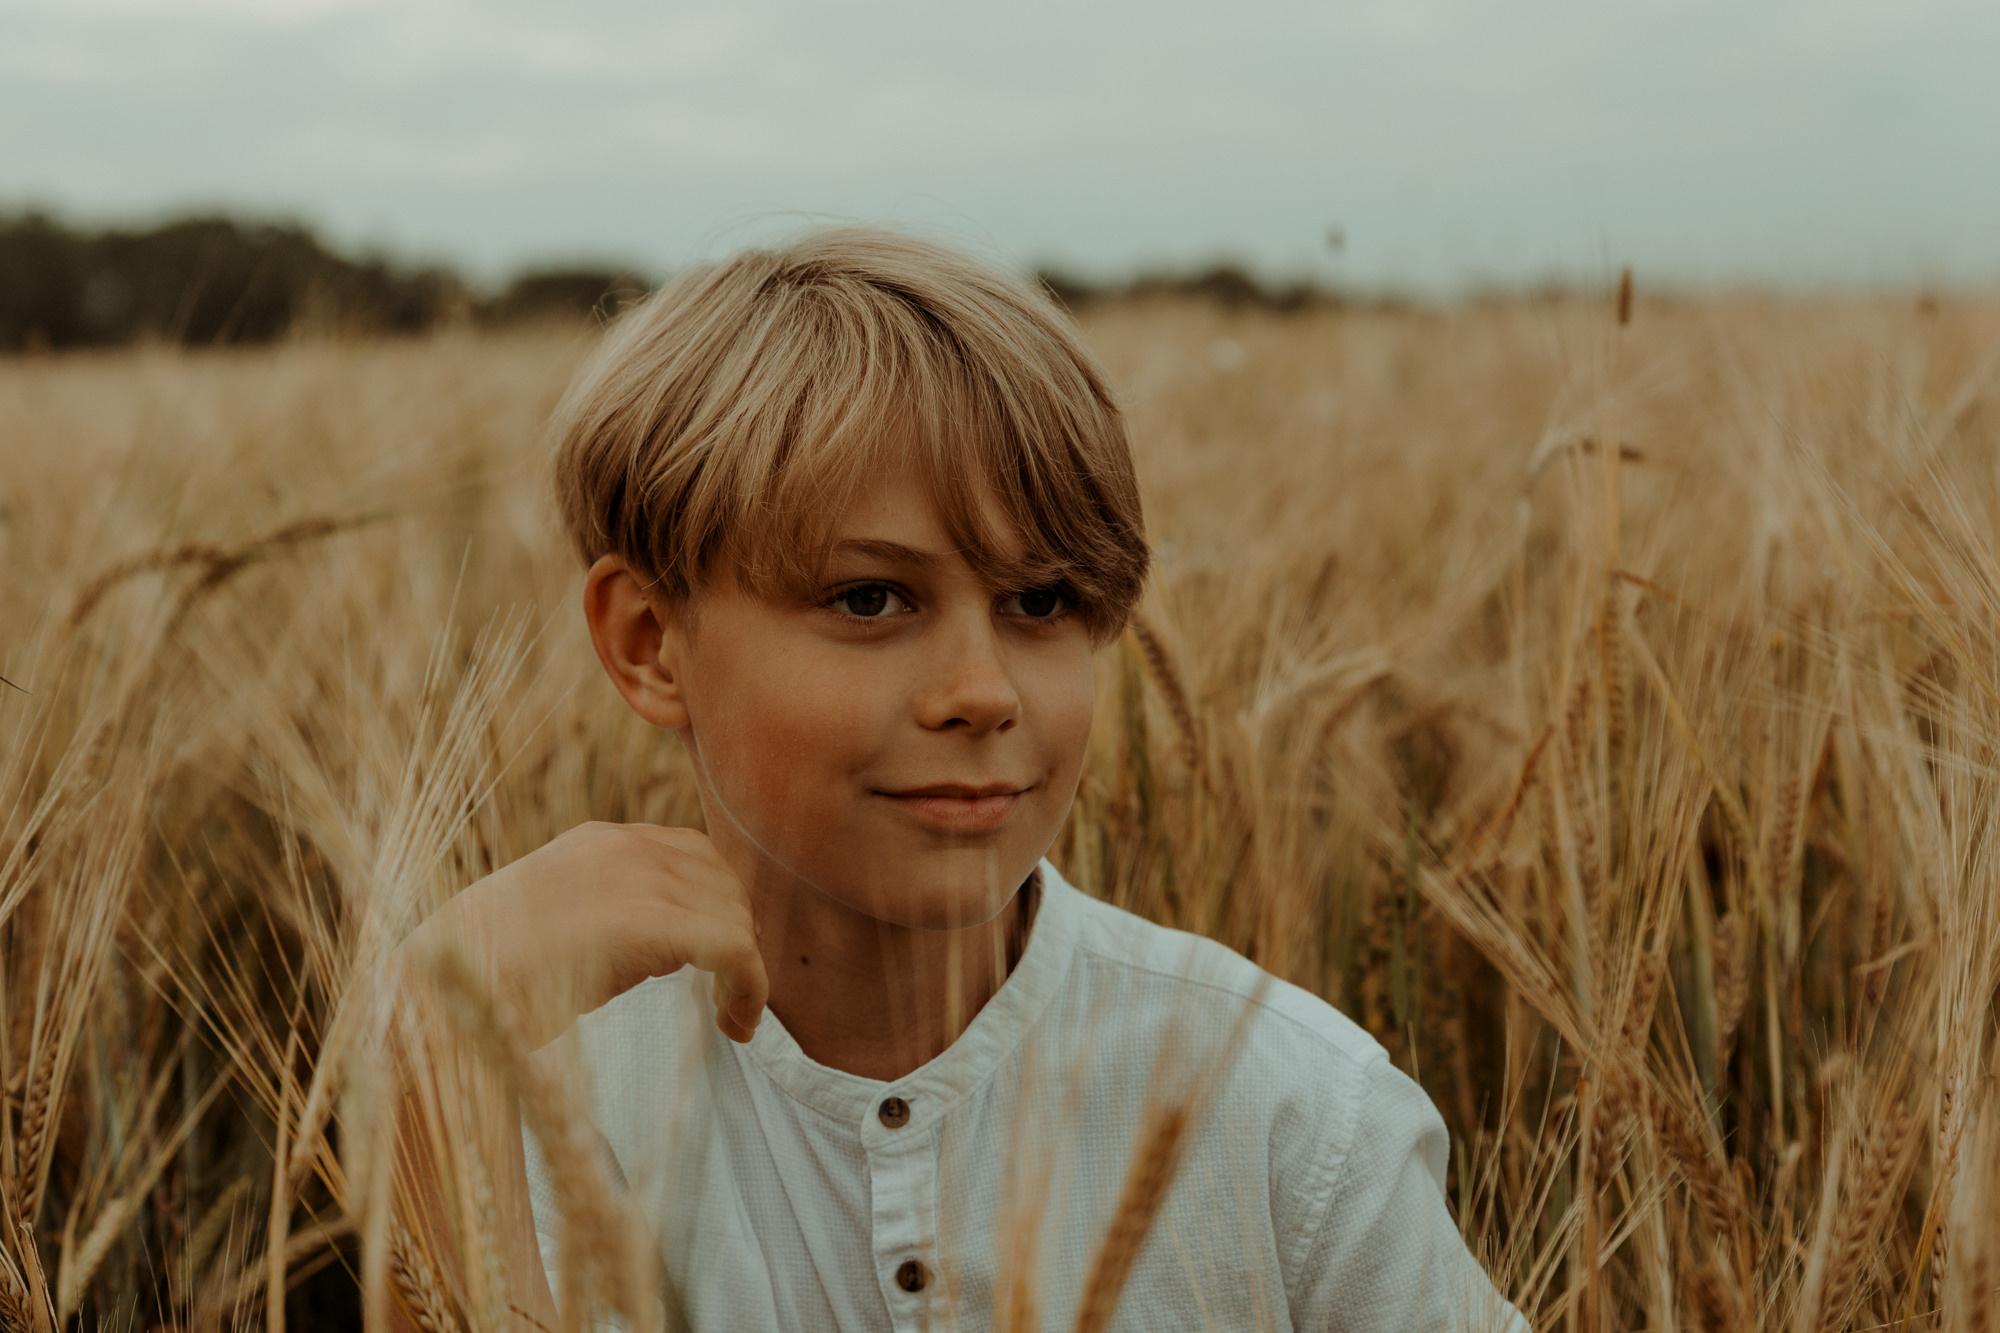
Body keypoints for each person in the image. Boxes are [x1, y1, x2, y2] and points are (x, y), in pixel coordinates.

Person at [396, 228, 1527, 1331]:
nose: (982, 692)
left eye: (1039, 603)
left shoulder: (1288, 1114)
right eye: (870, 600)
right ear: (649, 640)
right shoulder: (523, 1106)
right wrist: (424, 1071)